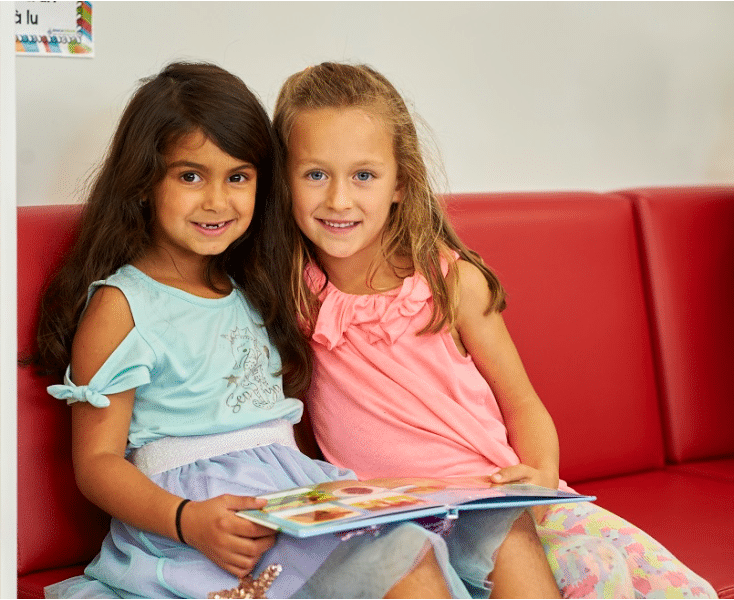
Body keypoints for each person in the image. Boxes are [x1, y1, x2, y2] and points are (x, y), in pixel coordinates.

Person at [27, 61, 541, 600]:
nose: (216, 201)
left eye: (238, 177)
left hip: (294, 492)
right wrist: (188, 520)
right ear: (142, 181)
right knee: (400, 570)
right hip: (200, 518)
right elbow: (97, 464)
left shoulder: (258, 285)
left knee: (413, 558)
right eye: (190, 176)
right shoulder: (122, 305)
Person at [272, 61, 718, 599]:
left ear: (400, 184)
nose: (339, 200)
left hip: (489, 501)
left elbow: (522, 403)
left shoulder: (450, 283)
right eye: (315, 174)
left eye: (363, 175)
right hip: (388, 521)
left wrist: (540, 474)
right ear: (284, 181)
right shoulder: (292, 293)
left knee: (573, 565)